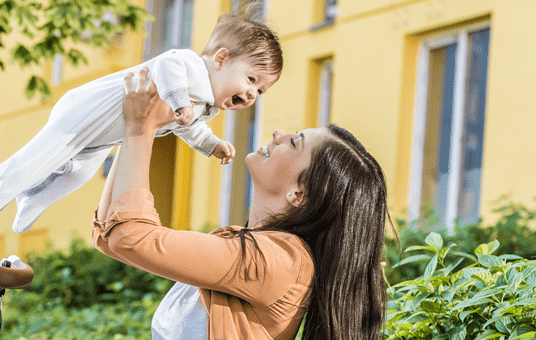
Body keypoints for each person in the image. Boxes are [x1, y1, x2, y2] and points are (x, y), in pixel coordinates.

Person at [93, 69, 389, 339]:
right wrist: (137, 130)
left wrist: (140, 127)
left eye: (295, 142)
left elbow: (129, 237)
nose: (278, 134)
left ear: (299, 194)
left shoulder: (281, 261)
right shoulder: (248, 247)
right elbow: (109, 237)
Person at [0, 13, 284, 233]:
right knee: (45, 156)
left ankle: (32, 199)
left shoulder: (204, 105)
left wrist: (211, 144)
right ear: (220, 59)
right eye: (251, 79)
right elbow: (166, 64)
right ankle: (0, 185)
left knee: (78, 174)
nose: (252, 93)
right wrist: (178, 100)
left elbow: (188, 127)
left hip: (106, 136)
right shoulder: (191, 66)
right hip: (89, 109)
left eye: (260, 90)